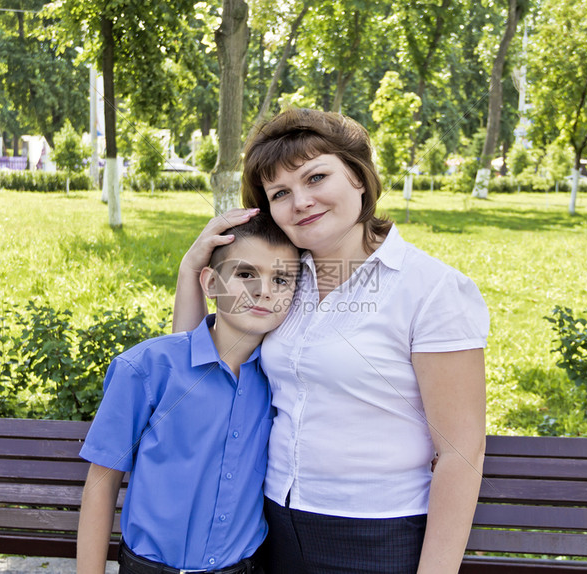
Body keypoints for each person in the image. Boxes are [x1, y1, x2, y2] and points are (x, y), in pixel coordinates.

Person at [173, 108, 489, 573]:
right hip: (270, 523)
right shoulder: (280, 281)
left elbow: (461, 451)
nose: (300, 201)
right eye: (280, 192)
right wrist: (189, 269)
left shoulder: (431, 289)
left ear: (359, 179)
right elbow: (196, 367)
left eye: (316, 177)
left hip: (377, 533)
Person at [77, 214, 300, 574]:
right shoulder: (146, 368)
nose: (265, 290)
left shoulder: (282, 379)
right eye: (246, 274)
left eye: (281, 279)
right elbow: (101, 486)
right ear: (211, 283)